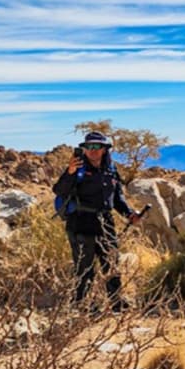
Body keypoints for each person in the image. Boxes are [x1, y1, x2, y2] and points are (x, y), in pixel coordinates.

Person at [52, 131, 142, 310]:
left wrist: (129, 214)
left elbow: (117, 198)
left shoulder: (110, 169)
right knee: (84, 266)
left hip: (105, 222)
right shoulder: (77, 168)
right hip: (81, 221)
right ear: (84, 149)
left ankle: (116, 302)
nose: (92, 150)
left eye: (96, 147)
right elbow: (59, 190)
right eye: (88, 147)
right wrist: (70, 173)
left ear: (104, 149)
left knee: (111, 262)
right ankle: (82, 304)